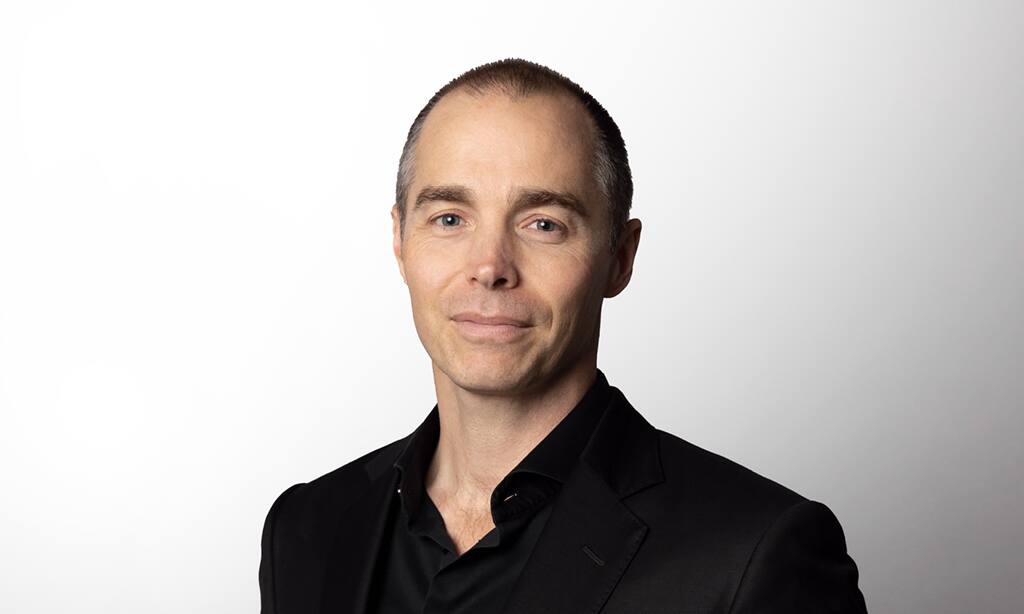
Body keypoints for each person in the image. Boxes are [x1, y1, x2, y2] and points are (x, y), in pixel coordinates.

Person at [258, 58, 868, 614]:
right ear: (400, 241)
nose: (490, 266)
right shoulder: (307, 528)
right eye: (449, 218)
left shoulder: (755, 554)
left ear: (620, 258)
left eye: (543, 224)